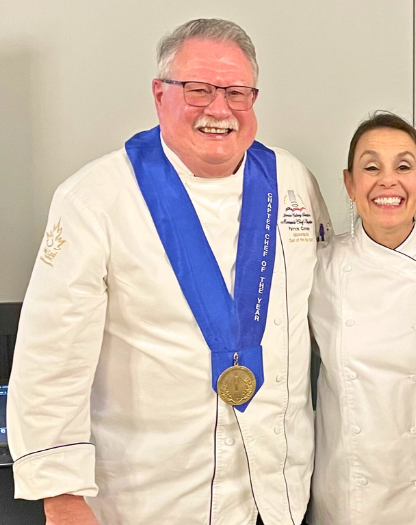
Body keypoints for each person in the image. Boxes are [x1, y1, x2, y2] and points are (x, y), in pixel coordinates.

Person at [8, 19, 330, 525]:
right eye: (199, 90)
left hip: (276, 493)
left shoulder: (292, 182)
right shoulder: (94, 198)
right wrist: (63, 497)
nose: (218, 109)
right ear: (160, 95)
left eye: (236, 92)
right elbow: (50, 360)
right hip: (149, 499)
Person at [308, 112, 416, 525]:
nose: (387, 181)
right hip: (346, 496)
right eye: (371, 167)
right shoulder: (317, 270)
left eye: (403, 166)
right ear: (350, 184)